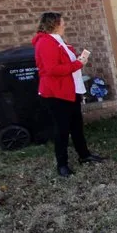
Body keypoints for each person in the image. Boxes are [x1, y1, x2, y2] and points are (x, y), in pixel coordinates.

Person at [32, 12, 104, 177]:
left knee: (77, 126)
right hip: (56, 93)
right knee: (61, 130)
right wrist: (77, 64)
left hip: (70, 90)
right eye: (62, 22)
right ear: (54, 24)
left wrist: (77, 62)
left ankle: (84, 155)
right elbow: (51, 69)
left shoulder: (57, 41)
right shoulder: (45, 43)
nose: (64, 25)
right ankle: (62, 164)